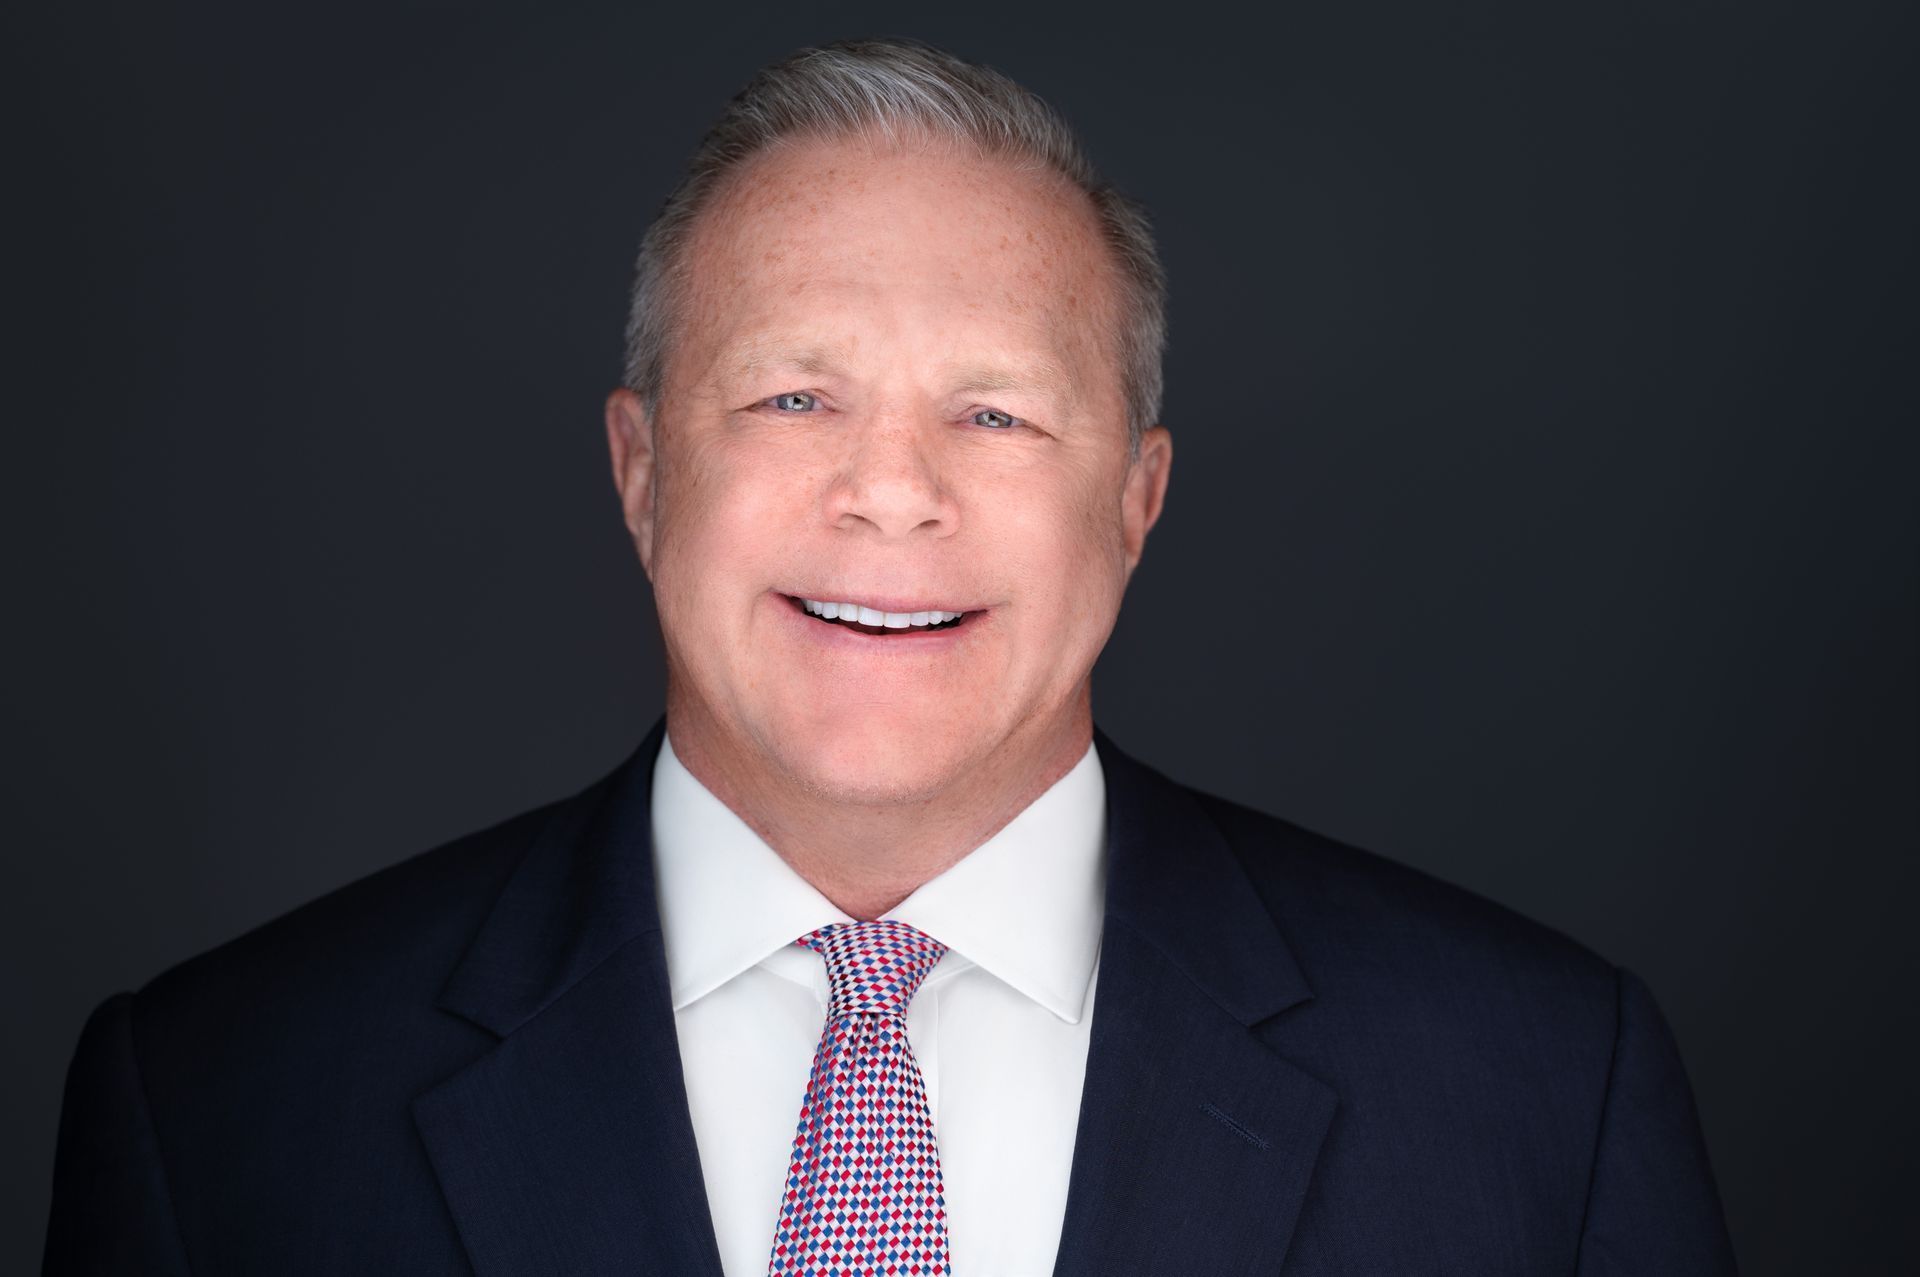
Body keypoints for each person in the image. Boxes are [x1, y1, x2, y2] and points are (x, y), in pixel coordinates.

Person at [43, 37, 1737, 1276]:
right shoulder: (221, 1105)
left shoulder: (1532, 1090)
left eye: (994, 413)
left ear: (1135, 501)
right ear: (641, 472)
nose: (892, 495)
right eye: (795, 396)